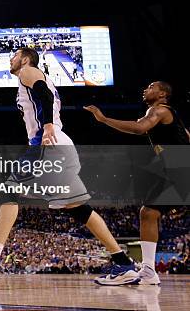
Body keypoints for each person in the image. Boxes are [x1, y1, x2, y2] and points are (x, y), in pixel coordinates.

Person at [0, 47, 138, 285]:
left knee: (9, 189)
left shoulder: (28, 71)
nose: (11, 58)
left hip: (47, 142)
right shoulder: (33, 77)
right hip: (59, 143)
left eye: (15, 54)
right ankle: (124, 263)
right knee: (79, 209)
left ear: (26, 58)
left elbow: (43, 94)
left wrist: (48, 125)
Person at [85, 81, 190, 285]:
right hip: (177, 170)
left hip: (180, 170)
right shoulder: (168, 114)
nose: (145, 89)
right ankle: (149, 270)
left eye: (151, 86)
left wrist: (104, 119)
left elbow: (139, 129)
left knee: (148, 213)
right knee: (148, 213)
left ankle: (149, 270)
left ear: (162, 94)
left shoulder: (158, 110)